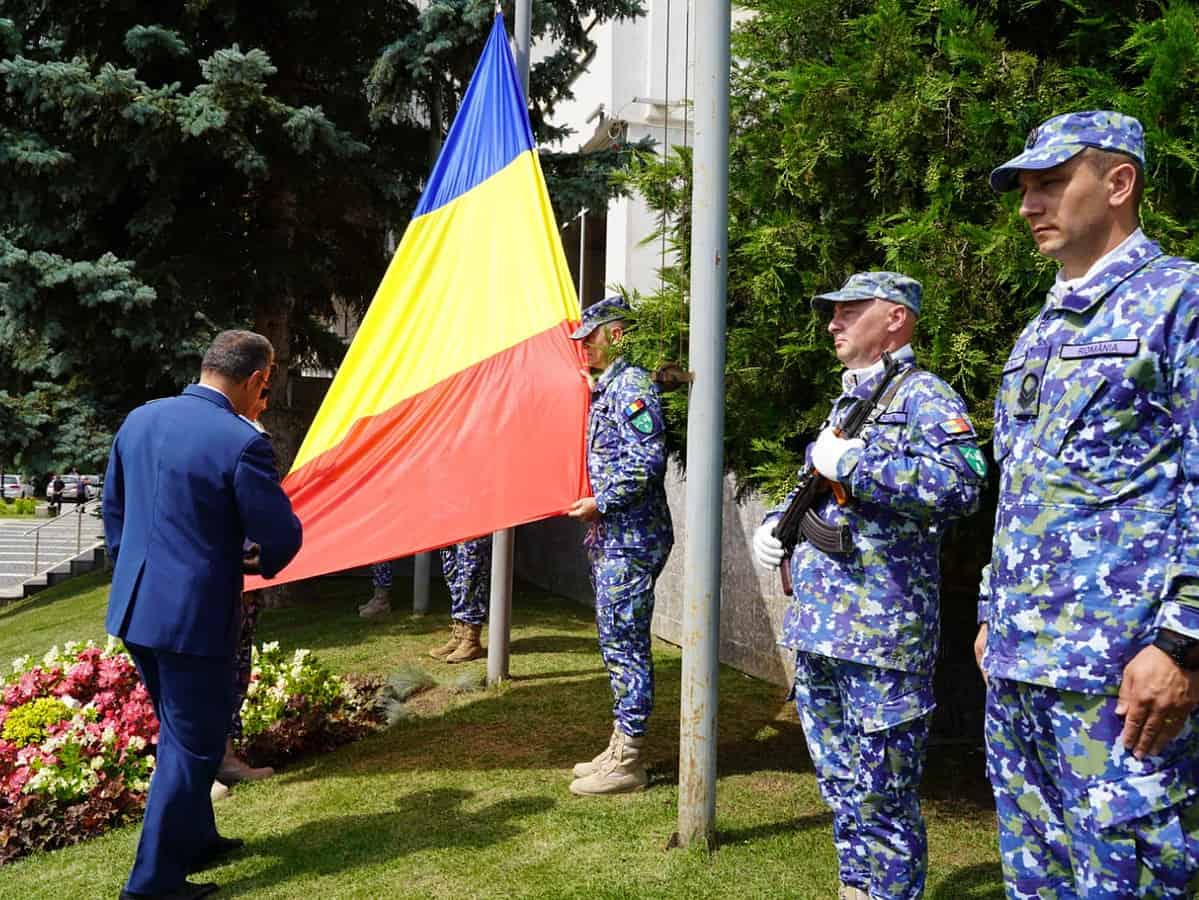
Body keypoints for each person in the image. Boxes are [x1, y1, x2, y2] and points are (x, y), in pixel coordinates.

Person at [977, 110, 1199, 898]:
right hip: (1019, 666)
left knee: (1123, 879)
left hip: (1118, 675)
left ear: (1116, 184)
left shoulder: (1180, 300)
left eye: (1049, 183)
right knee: (1033, 881)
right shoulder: (1040, 326)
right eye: (1023, 189)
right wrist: (987, 612)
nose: (1029, 205)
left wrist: (1181, 642)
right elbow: (1024, 486)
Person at [752, 272, 985, 900]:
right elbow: (821, 496)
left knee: (883, 789)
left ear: (895, 319)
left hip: (882, 633)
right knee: (840, 784)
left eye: (849, 311)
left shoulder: (924, 397)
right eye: (832, 313)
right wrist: (779, 526)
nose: (832, 324)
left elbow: (960, 485)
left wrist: (852, 462)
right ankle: (858, 888)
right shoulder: (851, 404)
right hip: (824, 630)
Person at [104, 329, 302, 900]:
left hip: (136, 610)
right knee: (191, 744)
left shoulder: (139, 419)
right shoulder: (242, 441)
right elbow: (280, 536)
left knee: (185, 731)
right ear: (257, 379)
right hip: (193, 617)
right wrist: (260, 559)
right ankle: (151, 884)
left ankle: (197, 838)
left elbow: (114, 515)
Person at [566, 295, 673, 796]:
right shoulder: (609, 387)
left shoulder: (631, 388)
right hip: (615, 537)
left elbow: (647, 459)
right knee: (614, 640)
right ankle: (620, 742)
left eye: (591, 336)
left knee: (626, 645)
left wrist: (600, 502)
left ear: (617, 334)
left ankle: (629, 760)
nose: (583, 346)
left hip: (631, 538)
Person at [215, 392, 276, 791]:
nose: (265, 402)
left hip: (215, 576)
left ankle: (220, 753)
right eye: (265, 390)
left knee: (230, 662)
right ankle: (222, 758)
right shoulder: (247, 439)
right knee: (229, 665)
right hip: (232, 576)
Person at [428, 537, 493, 663]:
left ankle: (471, 639)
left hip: (477, 524)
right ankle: (460, 634)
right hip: (453, 521)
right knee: (452, 573)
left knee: (471, 576)